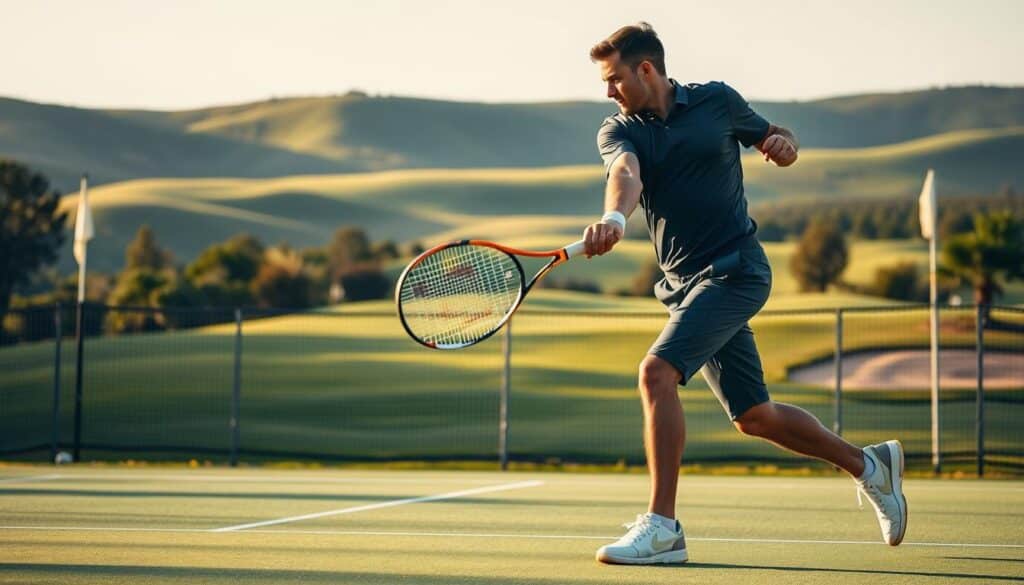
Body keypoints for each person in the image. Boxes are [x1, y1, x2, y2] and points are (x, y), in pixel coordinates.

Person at [580, 22, 908, 565]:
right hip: (685, 288)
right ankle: (870, 467)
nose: (608, 91)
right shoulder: (620, 129)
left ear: (646, 69)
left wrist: (784, 146)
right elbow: (624, 173)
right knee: (754, 416)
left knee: (656, 372)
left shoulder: (717, 101)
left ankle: (663, 529)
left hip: (736, 271)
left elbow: (776, 137)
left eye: (614, 79)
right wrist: (614, 216)